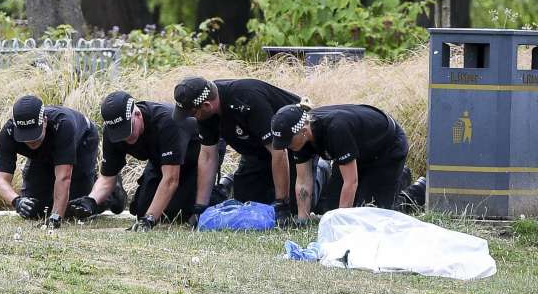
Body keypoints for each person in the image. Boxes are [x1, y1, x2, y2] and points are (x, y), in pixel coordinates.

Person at [69, 91, 213, 232]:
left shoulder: (167, 121)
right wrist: (91, 200)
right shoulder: (112, 131)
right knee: (141, 209)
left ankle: (220, 189)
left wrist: (149, 220)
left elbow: (170, 180)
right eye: (119, 133)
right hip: (161, 162)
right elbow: (107, 177)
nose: (125, 138)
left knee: (176, 212)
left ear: (137, 115)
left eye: (127, 130)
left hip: (197, 160)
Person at [173, 76, 302, 216]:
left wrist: (282, 203)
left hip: (292, 146)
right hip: (257, 151)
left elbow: (279, 151)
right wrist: (200, 208)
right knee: (247, 205)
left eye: (192, 113)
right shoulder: (205, 113)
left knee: (296, 205)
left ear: (206, 105)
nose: (193, 118)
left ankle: (320, 170)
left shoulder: (247, 99)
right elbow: (208, 156)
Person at [0, 95, 122, 229]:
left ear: (44, 121)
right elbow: (1, 180)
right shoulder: (8, 132)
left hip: (82, 141)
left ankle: (111, 191)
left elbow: (63, 177)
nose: (30, 141)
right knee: (33, 209)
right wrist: (17, 201)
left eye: (34, 135)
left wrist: (55, 217)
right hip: (44, 154)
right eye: (24, 137)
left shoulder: (62, 124)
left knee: (77, 208)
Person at [271, 102, 410, 215]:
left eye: (288, 142)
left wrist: (341, 223)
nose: (287, 147)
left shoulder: (336, 129)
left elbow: (351, 181)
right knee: (330, 210)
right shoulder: (300, 141)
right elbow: (303, 181)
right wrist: (303, 219)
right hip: (354, 153)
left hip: (387, 147)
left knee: (369, 212)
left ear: (304, 132)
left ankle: (411, 190)